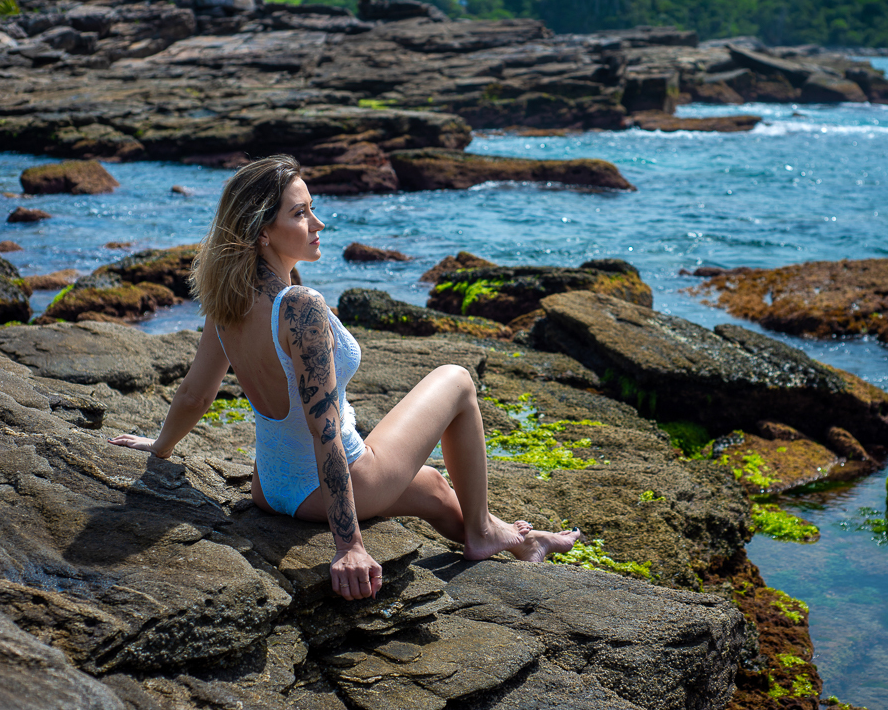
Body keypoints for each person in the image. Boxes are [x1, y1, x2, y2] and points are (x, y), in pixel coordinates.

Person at [109, 155, 579, 600]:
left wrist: (160, 447)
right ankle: (480, 532)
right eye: (300, 214)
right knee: (456, 379)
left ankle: (519, 540)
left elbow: (195, 393)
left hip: (271, 487)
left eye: (312, 209)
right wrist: (349, 545)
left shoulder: (228, 296)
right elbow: (326, 430)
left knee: (434, 487)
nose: (318, 224)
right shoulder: (299, 306)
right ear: (262, 233)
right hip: (335, 482)